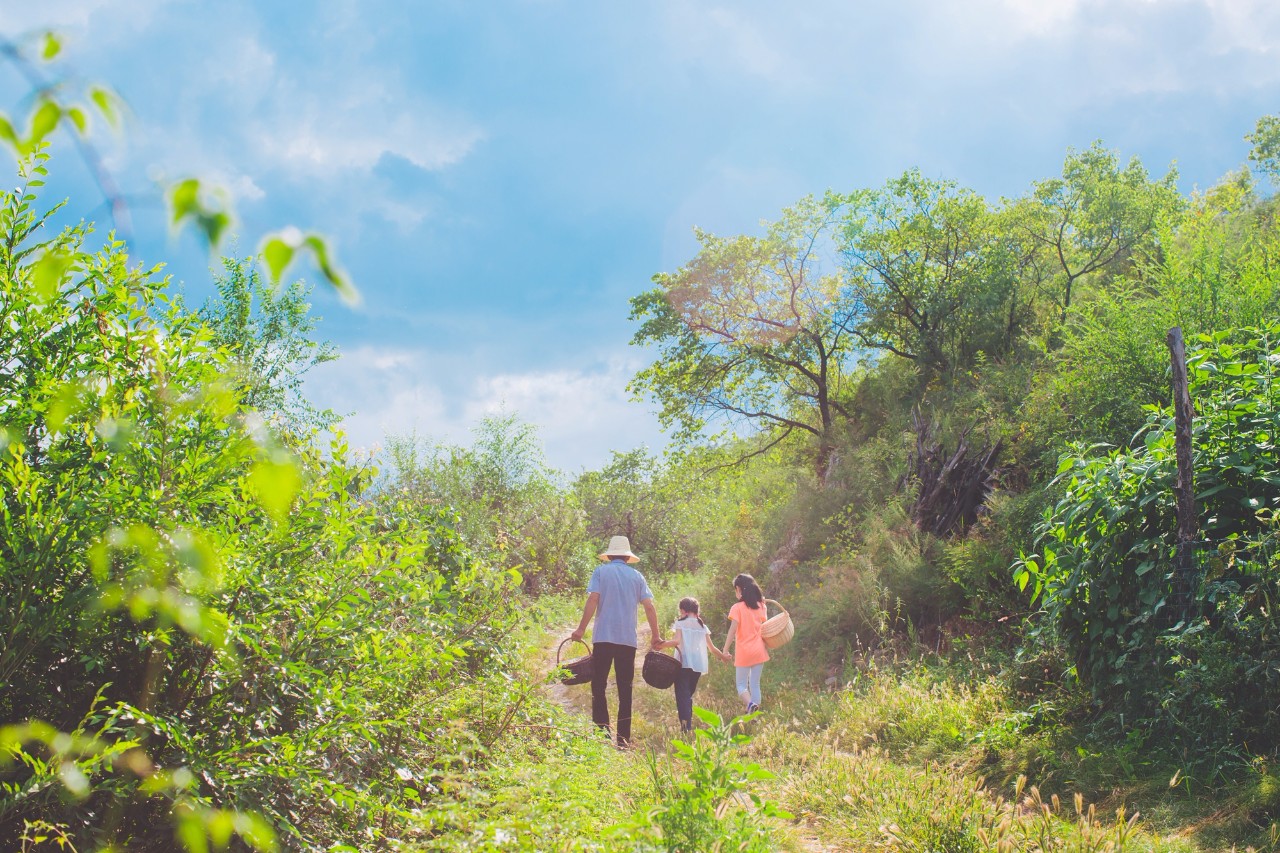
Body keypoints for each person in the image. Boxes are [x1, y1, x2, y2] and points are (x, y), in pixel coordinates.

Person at [570, 535, 661, 747]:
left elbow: (593, 599)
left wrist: (581, 629)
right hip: (627, 640)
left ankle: (601, 734)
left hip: (603, 638)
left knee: (598, 685)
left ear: (610, 555)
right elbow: (649, 606)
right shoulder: (637, 576)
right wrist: (656, 635)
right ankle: (623, 739)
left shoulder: (601, 572)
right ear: (628, 557)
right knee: (625, 688)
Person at [652, 597, 728, 732]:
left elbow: (676, 641)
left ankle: (685, 727)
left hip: (682, 665)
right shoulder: (702, 626)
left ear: (683, 610)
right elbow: (712, 648)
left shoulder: (681, 623)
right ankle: (687, 725)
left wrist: (661, 645)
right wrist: (723, 657)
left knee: (682, 696)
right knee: (687, 696)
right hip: (697, 666)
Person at [721, 573, 769, 714]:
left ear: (739, 589)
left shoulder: (737, 608)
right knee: (755, 684)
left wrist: (725, 650)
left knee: (741, 685)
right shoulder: (761, 606)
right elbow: (764, 624)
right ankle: (754, 716)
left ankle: (750, 705)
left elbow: (732, 630)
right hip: (759, 650)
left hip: (744, 652)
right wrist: (762, 604)